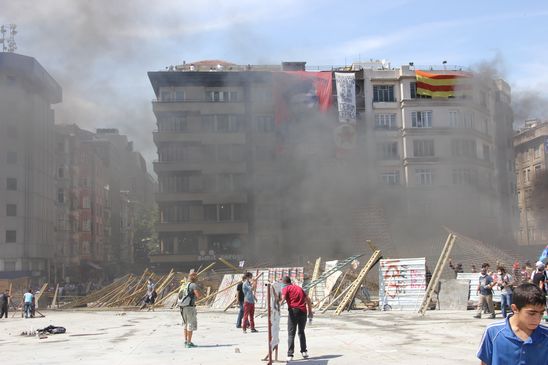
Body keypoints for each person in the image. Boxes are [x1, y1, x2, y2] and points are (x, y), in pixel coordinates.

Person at [477, 283, 548, 365]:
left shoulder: (546, 335)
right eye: (531, 313)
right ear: (515, 309)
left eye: (541, 313)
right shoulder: (493, 332)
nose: (538, 319)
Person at [281, 276, 313, 361]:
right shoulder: (299, 288)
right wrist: (310, 312)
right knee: (301, 332)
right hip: (303, 311)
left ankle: (290, 354)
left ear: (284, 282)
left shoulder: (286, 288)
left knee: (291, 333)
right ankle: (304, 351)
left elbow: (283, 299)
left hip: (293, 311)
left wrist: (276, 306)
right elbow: (308, 299)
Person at [178, 272, 202, 348]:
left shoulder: (184, 285)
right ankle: (189, 342)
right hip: (190, 307)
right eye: (197, 276)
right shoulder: (193, 285)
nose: (198, 278)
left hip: (182, 307)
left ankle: (185, 341)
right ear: (194, 277)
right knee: (190, 325)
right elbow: (198, 295)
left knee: (185, 324)